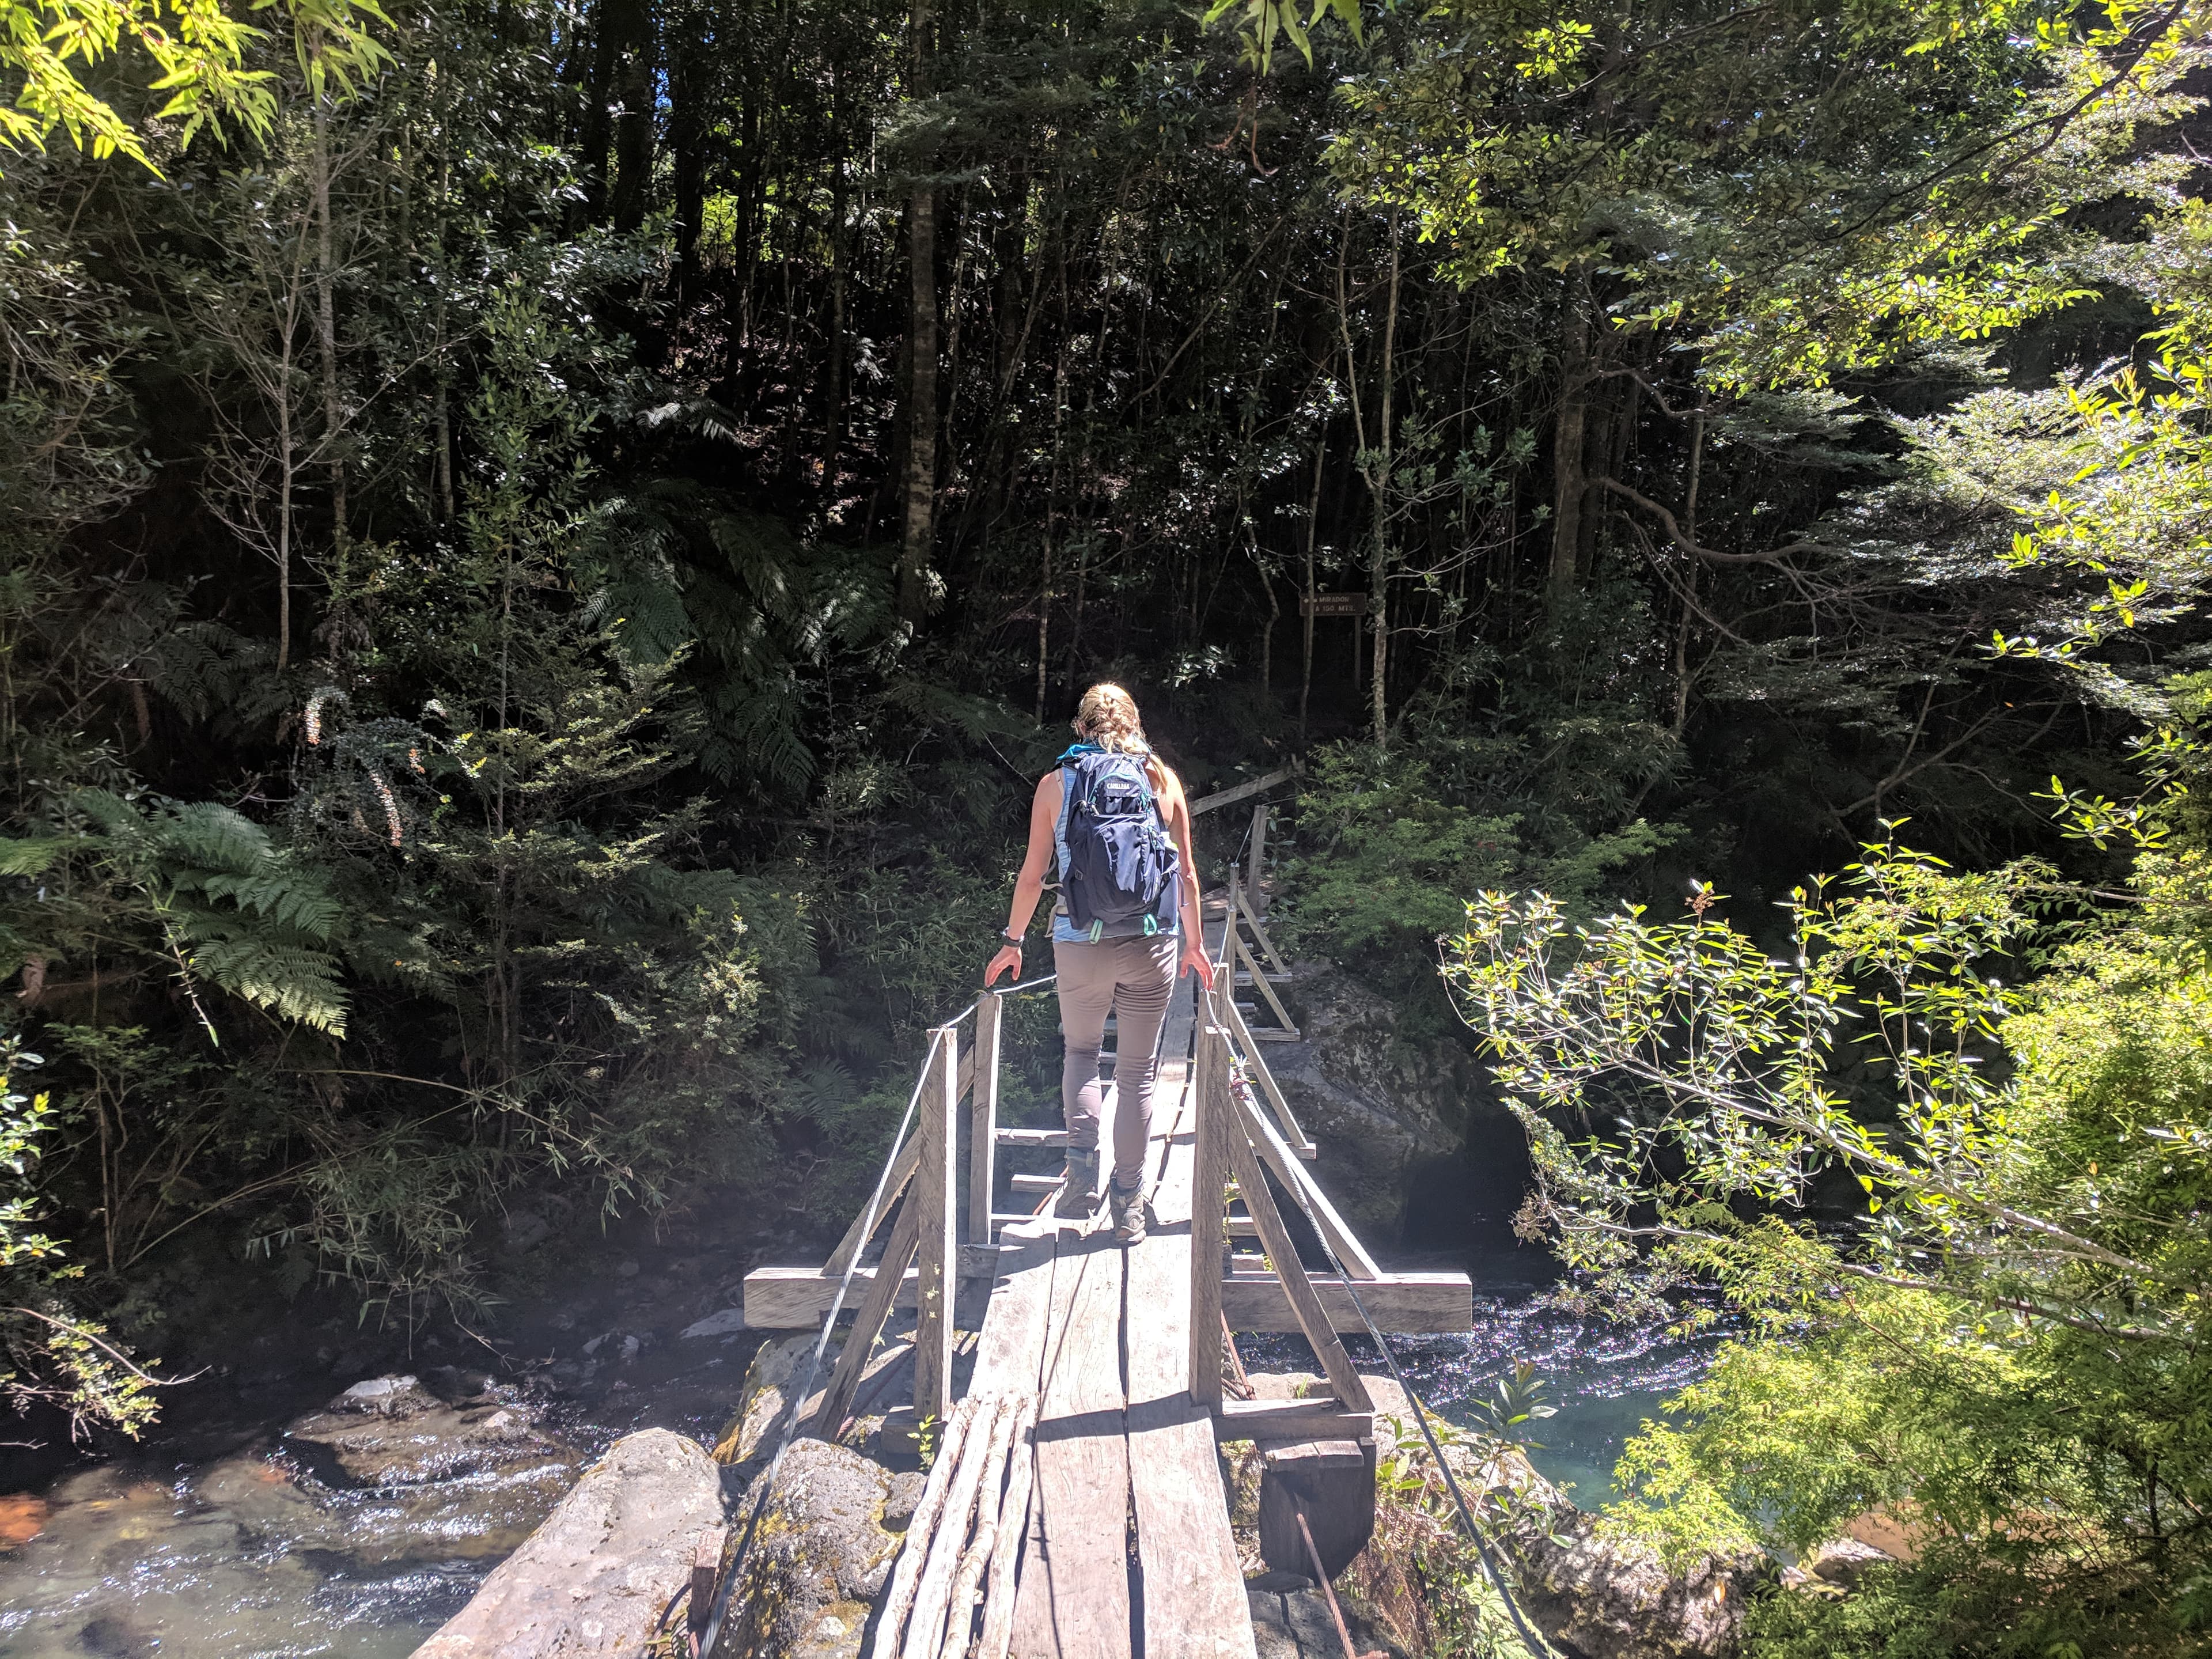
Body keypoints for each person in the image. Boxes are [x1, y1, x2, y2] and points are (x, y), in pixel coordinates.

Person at [984, 684, 1214, 1244]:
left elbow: (1034, 875)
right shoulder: (1163, 780)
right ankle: (1129, 1203)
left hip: (1079, 943)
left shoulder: (1056, 785)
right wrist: (1196, 945)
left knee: (1082, 1054)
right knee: (1137, 1075)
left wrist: (1013, 940)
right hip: (1152, 944)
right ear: (1134, 723)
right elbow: (1185, 875)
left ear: (1081, 728)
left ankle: (1081, 1173)